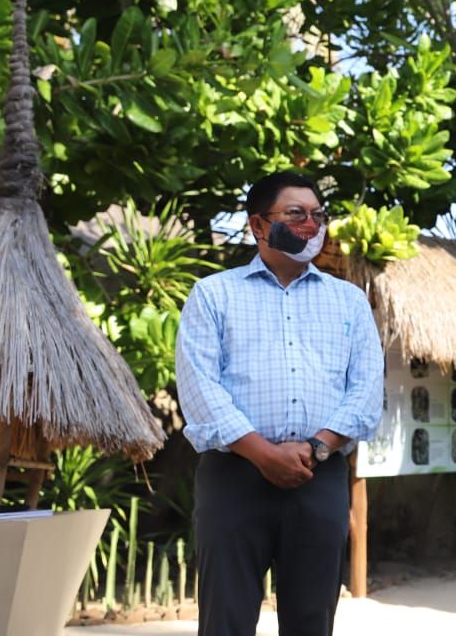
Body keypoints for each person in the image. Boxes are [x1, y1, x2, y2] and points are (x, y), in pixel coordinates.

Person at [176, 171, 384, 636]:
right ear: (258, 225)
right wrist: (264, 454)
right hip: (234, 478)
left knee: (312, 622)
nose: (311, 225)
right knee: (225, 620)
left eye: (318, 215)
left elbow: (367, 391)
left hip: (319, 476)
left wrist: (316, 447)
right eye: (296, 214)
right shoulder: (213, 295)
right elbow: (200, 389)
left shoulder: (349, 302)